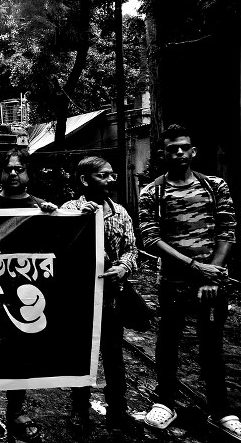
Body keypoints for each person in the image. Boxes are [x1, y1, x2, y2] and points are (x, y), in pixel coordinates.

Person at [137, 124, 241, 438]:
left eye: (184, 147)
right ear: (162, 154)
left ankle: (221, 410)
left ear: (193, 151)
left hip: (212, 285)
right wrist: (196, 267)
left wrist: (213, 272)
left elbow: (227, 230)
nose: (179, 152)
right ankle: (165, 403)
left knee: (212, 347)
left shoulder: (215, 186)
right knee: (167, 342)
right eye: (172, 148)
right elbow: (151, 239)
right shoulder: (152, 192)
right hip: (172, 283)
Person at [0, 148, 56, 443]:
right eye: (8, 169)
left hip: (27, 297)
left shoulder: (43, 210)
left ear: (29, 174)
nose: (13, 174)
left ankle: (16, 410)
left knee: (21, 352)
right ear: (0, 174)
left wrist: (61, 217)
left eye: (19, 169)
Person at [60, 156, 139, 436]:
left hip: (112, 297)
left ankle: (118, 411)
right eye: (103, 176)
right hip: (81, 298)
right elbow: (59, 248)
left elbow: (132, 249)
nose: (109, 181)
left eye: (112, 175)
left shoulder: (120, 213)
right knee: (81, 355)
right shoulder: (68, 210)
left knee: (114, 357)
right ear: (85, 180)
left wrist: (123, 267)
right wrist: (80, 219)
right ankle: (79, 410)